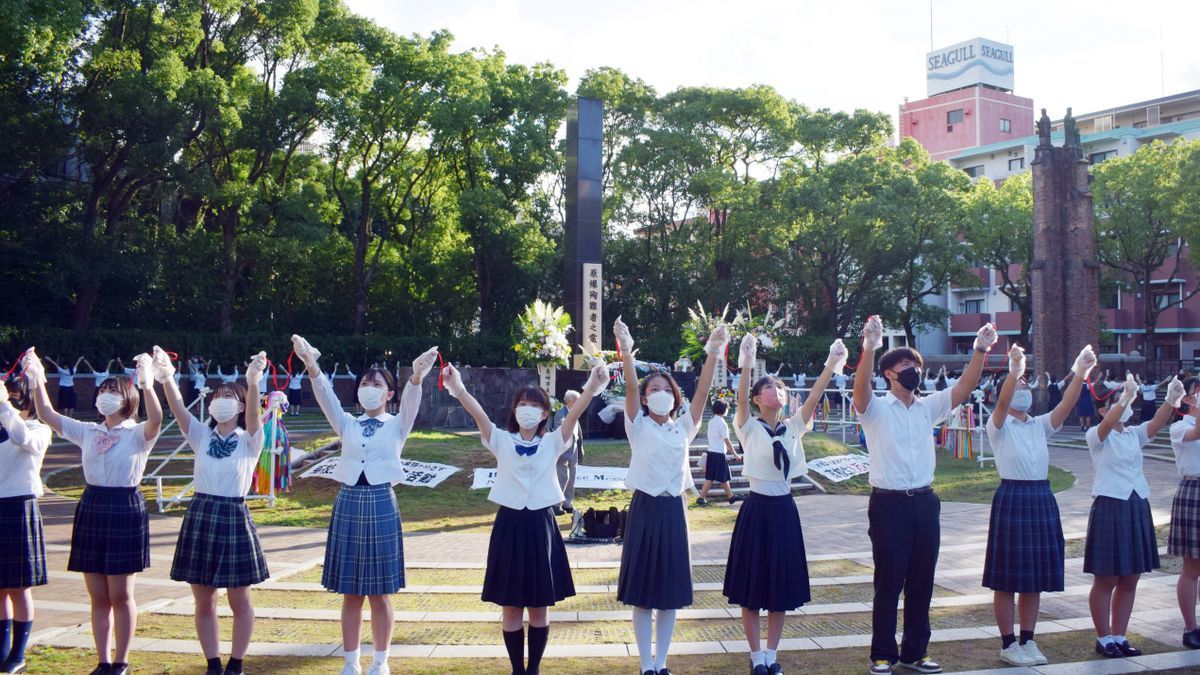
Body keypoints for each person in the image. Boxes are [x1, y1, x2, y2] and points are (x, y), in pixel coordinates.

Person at [441, 363, 608, 675]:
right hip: (510, 525)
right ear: (514, 410)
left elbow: (573, 415)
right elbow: (479, 414)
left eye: (535, 405)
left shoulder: (554, 441)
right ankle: (517, 669)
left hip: (542, 526)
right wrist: (458, 387)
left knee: (539, 604)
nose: (528, 410)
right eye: (523, 404)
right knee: (511, 604)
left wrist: (591, 386)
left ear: (545, 413)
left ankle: (534, 669)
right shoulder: (500, 440)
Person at [854, 316, 995, 675]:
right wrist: (870, 347)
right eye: (905, 366)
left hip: (926, 502)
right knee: (889, 581)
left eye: (916, 365)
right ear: (889, 373)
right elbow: (860, 390)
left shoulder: (927, 407)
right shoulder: (876, 409)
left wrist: (980, 349)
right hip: (888, 504)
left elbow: (964, 388)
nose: (913, 371)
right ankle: (882, 654)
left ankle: (915, 652)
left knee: (922, 581)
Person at [292, 335, 437, 675]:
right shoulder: (348, 424)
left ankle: (381, 661)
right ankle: (350, 661)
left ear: (389, 394)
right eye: (364, 383)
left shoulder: (397, 424)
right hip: (349, 501)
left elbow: (413, 398)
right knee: (351, 592)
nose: (368, 388)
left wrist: (416, 377)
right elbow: (326, 397)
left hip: (381, 501)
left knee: (381, 592)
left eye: (376, 384)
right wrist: (311, 365)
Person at [24, 348, 161, 675]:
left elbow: (157, 420)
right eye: (102, 391)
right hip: (92, 505)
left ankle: (121, 662)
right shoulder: (88, 430)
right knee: (98, 594)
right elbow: (46, 412)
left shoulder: (137, 434)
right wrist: (37, 377)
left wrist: (147, 382)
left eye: (112, 391)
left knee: (121, 594)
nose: (104, 396)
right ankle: (102, 661)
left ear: (128, 398)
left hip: (124, 507)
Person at [726, 335, 845, 675]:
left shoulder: (794, 427)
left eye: (780, 387)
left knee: (778, 588)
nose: (776, 391)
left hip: (783, 510)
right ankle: (755, 657)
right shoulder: (748, 427)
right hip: (756, 509)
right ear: (756, 398)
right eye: (768, 387)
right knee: (751, 589)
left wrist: (830, 363)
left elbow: (815, 395)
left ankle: (772, 655)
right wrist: (747, 361)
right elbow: (740, 398)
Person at [615, 316, 727, 675]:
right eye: (654, 390)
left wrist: (713, 351)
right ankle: (645, 664)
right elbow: (631, 388)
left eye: (667, 389)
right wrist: (626, 350)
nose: (660, 393)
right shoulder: (638, 424)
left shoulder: (685, 427)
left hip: (673, 509)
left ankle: (661, 663)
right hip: (645, 508)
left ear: (674, 396)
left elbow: (703, 392)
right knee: (642, 595)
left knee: (669, 594)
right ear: (647, 399)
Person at [152, 348, 269, 675]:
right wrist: (166, 377)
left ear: (242, 405)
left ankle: (237, 663)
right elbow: (176, 409)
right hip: (202, 514)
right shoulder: (201, 435)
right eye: (217, 395)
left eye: (229, 396)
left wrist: (253, 381)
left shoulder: (250, 439)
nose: (220, 400)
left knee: (239, 600)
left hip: (233, 516)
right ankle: (213, 664)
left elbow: (255, 417)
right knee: (204, 599)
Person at [984, 344, 1094, 667]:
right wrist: (1014, 371)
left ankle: (1028, 640)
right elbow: (1003, 401)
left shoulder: (1039, 425)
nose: (1024, 387)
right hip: (1012, 497)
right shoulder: (998, 426)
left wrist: (1080, 371)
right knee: (1006, 578)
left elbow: (1067, 404)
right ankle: (1008, 643)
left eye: (1025, 382)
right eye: (1020, 382)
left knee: (1033, 577)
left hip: (1041, 497)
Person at [1084, 373, 1179, 659]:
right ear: (1103, 410)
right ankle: (1103, 637)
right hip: (1110, 506)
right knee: (1106, 579)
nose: (1125, 406)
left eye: (1126, 401)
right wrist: (1124, 396)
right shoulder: (1096, 436)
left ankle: (1120, 635)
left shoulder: (1132, 434)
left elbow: (1156, 424)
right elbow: (1108, 425)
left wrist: (1172, 398)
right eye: (1115, 402)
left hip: (1136, 503)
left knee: (1130, 577)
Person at [0, 374, 53, 675]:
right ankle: (1, 651)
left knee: (19, 588)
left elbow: (21, 439)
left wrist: (4, 406)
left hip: (19, 505)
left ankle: (18, 654)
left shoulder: (37, 428)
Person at [1169, 377, 1200, 650]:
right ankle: (1191, 627)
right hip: (1194, 490)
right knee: (1192, 567)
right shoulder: (1180, 427)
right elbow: (1197, 434)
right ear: (1189, 399)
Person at [697, 399, 739, 506]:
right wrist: (735, 454)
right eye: (727, 408)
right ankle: (731, 497)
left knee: (711, 477)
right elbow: (727, 441)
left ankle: (702, 498)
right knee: (722, 477)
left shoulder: (711, 422)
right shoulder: (722, 423)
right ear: (724, 410)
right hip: (719, 454)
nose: (728, 410)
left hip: (711, 452)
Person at [551, 390, 583, 515]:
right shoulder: (561, 412)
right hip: (563, 450)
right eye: (577, 401)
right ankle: (555, 504)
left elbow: (578, 432)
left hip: (574, 449)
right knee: (563, 477)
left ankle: (567, 503)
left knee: (572, 477)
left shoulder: (575, 414)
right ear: (570, 402)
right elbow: (559, 427)